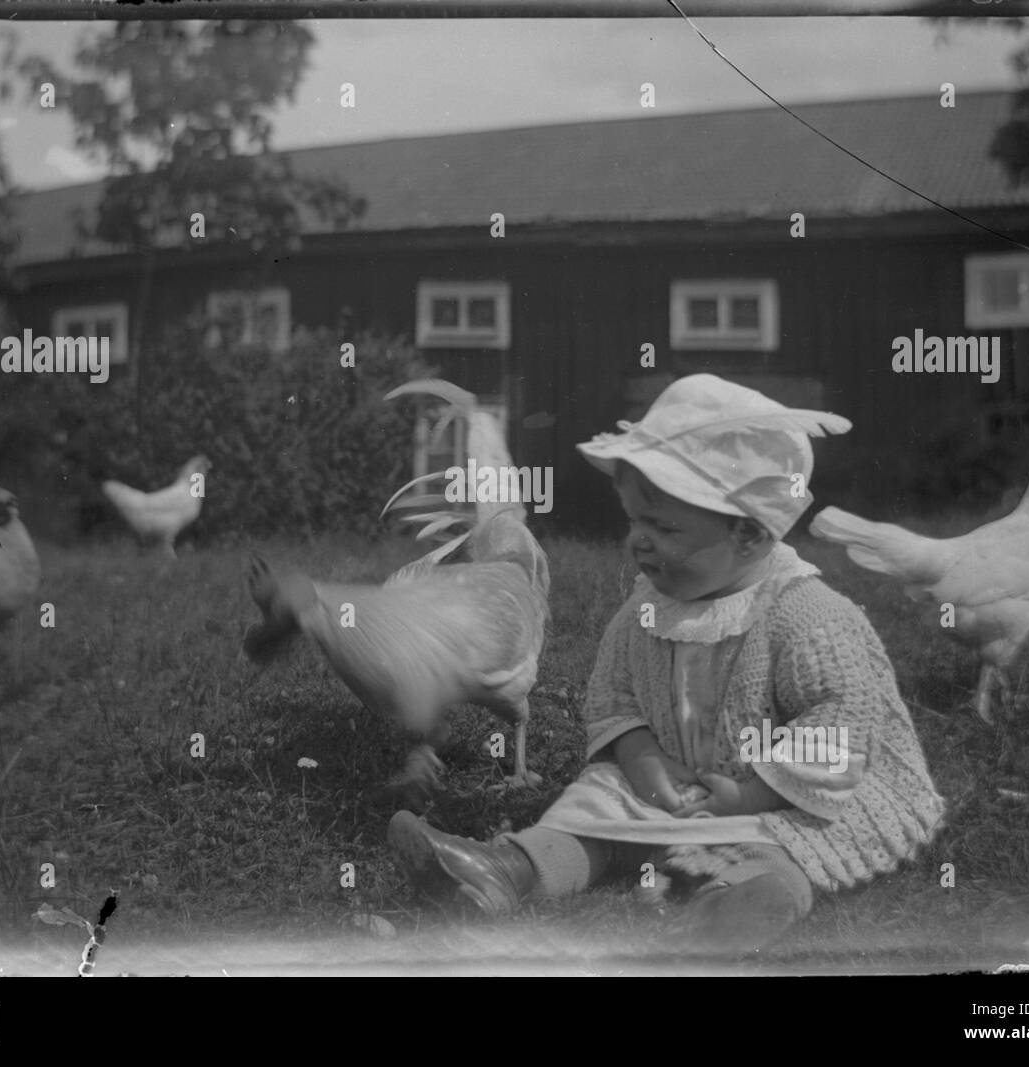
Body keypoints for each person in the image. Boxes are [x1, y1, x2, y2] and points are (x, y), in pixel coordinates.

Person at [388, 374, 946, 953]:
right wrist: (641, 757)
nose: (639, 542)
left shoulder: (805, 615)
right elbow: (614, 695)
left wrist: (751, 795)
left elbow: (839, 722)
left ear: (750, 534)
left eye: (665, 527)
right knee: (593, 802)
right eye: (634, 521)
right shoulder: (644, 610)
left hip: (788, 798)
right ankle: (508, 868)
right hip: (671, 783)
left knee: (782, 848)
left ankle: (732, 905)